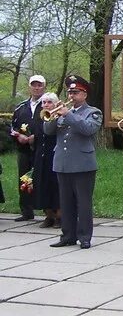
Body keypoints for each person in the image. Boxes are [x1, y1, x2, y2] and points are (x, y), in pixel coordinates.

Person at [45, 75, 102, 249]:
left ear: (84, 94)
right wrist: (53, 115)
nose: (71, 96)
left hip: (83, 164)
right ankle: (67, 235)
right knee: (66, 202)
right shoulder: (61, 111)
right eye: (69, 92)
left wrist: (68, 114)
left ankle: (85, 236)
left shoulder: (93, 112)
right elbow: (48, 131)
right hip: (63, 163)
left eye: (75, 92)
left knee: (83, 203)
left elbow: (88, 129)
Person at [10, 74, 46, 221]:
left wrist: (34, 137)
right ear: (29, 87)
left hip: (41, 149)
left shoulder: (48, 104)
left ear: (44, 87)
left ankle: (48, 211)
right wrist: (18, 136)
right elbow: (12, 126)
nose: (36, 88)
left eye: (39, 85)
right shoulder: (21, 107)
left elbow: (51, 126)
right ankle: (26, 211)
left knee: (42, 178)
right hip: (24, 150)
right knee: (25, 179)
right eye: (34, 85)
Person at [32, 92, 60, 228]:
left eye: (49, 102)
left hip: (54, 154)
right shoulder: (40, 117)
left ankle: (60, 216)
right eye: (44, 102)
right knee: (42, 184)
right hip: (41, 155)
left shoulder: (59, 116)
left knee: (56, 185)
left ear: (55, 103)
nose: (46, 105)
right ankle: (49, 215)